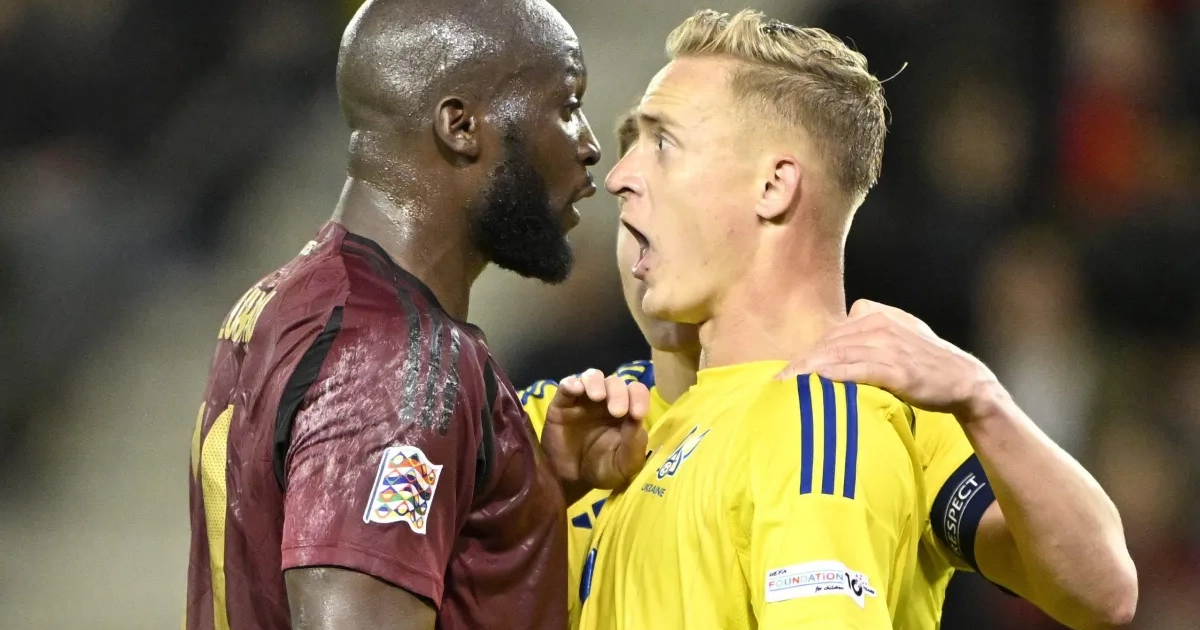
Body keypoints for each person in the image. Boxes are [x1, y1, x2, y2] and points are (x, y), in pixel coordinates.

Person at [523, 108, 1138, 628]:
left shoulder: (877, 409)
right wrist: (549, 491)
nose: (646, 245)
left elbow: (1100, 590)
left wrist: (984, 396)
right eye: (632, 224)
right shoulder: (553, 424)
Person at [183, 1, 652, 629]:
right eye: (567, 106)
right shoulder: (398, 358)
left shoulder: (288, 300)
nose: (591, 146)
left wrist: (520, 492)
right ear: (461, 126)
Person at [580, 10, 929, 629]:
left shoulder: (813, 433)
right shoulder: (673, 425)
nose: (618, 176)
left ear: (773, 186)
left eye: (663, 144)